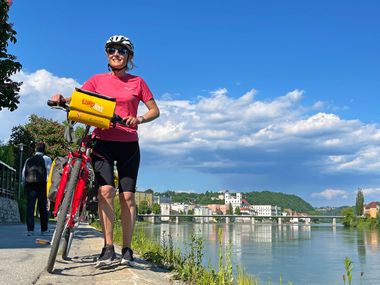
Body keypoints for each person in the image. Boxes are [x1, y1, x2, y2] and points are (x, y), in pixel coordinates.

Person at [51, 35, 160, 267]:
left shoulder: (138, 82)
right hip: (102, 141)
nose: (116, 54)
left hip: (128, 143)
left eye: (121, 50)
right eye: (111, 49)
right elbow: (80, 98)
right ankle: (108, 248)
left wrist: (138, 118)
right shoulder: (97, 80)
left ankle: (127, 249)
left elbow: (154, 110)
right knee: (106, 191)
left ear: (129, 56)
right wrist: (62, 99)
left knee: (127, 196)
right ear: (107, 54)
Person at [23, 142, 52, 236]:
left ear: (35, 149)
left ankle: (30, 230)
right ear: (44, 149)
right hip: (41, 185)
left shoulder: (29, 159)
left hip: (30, 184)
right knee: (42, 207)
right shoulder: (47, 159)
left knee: (30, 207)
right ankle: (44, 229)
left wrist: (24, 183)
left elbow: (24, 173)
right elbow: (49, 174)